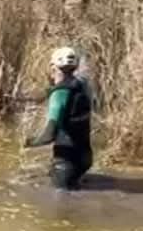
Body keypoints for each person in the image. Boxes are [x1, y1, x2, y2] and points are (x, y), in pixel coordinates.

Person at [24, 47, 94, 190]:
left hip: (65, 161)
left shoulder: (60, 93)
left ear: (52, 67)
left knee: (61, 204)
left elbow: (49, 135)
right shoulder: (81, 86)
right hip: (85, 157)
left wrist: (29, 142)